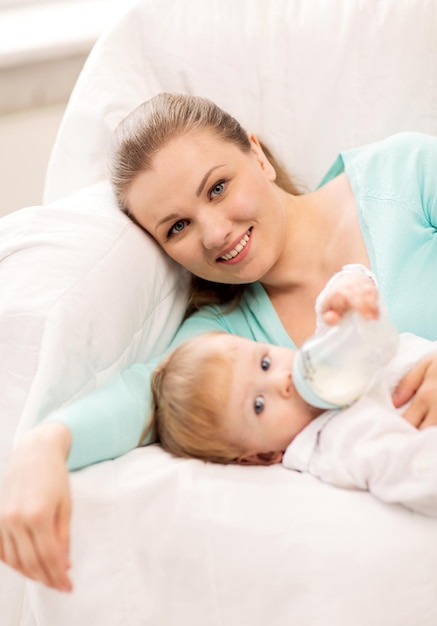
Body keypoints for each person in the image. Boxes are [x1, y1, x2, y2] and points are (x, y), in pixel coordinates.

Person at [1, 93, 437, 592]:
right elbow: (144, 393)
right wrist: (44, 445)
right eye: (178, 227)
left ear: (257, 154)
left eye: (217, 188)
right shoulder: (229, 339)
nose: (212, 234)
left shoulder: (405, 177)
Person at [148, 266, 437, 517]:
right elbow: (415, 472)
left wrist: (348, 291)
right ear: (262, 456)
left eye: (264, 363)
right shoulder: (339, 442)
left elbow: (344, 308)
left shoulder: (320, 362)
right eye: (258, 405)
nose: (281, 381)